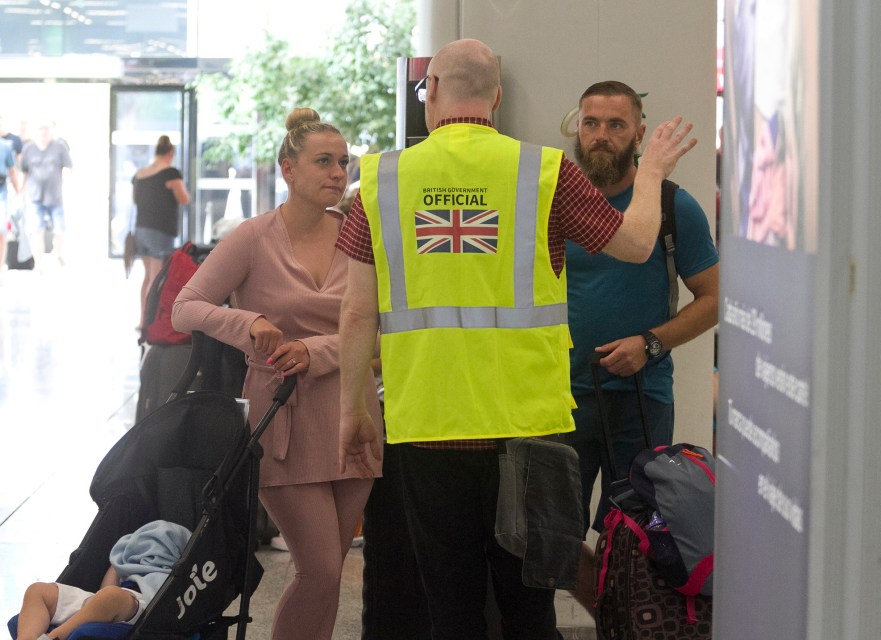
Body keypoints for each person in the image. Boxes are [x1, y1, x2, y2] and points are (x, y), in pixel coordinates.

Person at [336, 38, 696, 640]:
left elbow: (354, 313)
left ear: (432, 97)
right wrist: (653, 170)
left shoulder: (382, 180)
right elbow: (635, 245)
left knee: (447, 605)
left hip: (427, 426)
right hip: (527, 429)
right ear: (497, 98)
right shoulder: (545, 172)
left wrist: (354, 409)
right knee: (529, 609)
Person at [172, 107, 383, 640]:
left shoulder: (361, 236)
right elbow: (186, 306)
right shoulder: (253, 237)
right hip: (282, 418)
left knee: (329, 574)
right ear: (288, 169)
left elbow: (385, 332)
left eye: (343, 162)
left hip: (354, 413)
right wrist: (249, 322)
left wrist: (318, 352)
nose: (338, 173)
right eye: (323, 162)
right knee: (322, 568)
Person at [565, 80, 719, 532]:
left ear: (639, 135)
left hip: (639, 398)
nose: (600, 135)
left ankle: (621, 607)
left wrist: (650, 344)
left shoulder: (672, 205)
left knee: (633, 542)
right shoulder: (555, 203)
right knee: (552, 542)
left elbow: (714, 298)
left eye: (616, 125)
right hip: (558, 399)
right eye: (590, 123)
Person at [15, 520, 191, 640]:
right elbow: (103, 590)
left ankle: (55, 637)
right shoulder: (127, 572)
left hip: (144, 609)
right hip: (103, 603)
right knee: (37, 590)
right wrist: (119, 563)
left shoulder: (173, 576)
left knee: (111, 596)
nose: (145, 558)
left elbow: (108, 594)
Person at [132, 135, 190, 328]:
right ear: (170, 153)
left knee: (147, 276)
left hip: (140, 228)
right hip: (160, 230)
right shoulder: (170, 173)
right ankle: (152, 322)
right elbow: (184, 199)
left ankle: (142, 320)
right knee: (157, 278)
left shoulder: (140, 174)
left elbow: (135, 200)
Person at [19, 121, 72, 265]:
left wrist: (67, 189)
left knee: (60, 231)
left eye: (46, 128)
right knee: (37, 231)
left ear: (51, 130)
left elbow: (68, 168)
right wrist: (21, 192)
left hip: (55, 197)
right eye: (41, 128)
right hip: (35, 197)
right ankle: (39, 263)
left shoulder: (59, 147)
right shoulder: (29, 149)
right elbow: (24, 172)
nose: (43, 132)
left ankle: (58, 252)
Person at [0, 135, 21, 272]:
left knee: (2, 233)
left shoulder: (5, 146)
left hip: (1, 196)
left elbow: (12, 172)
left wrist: (18, 192)